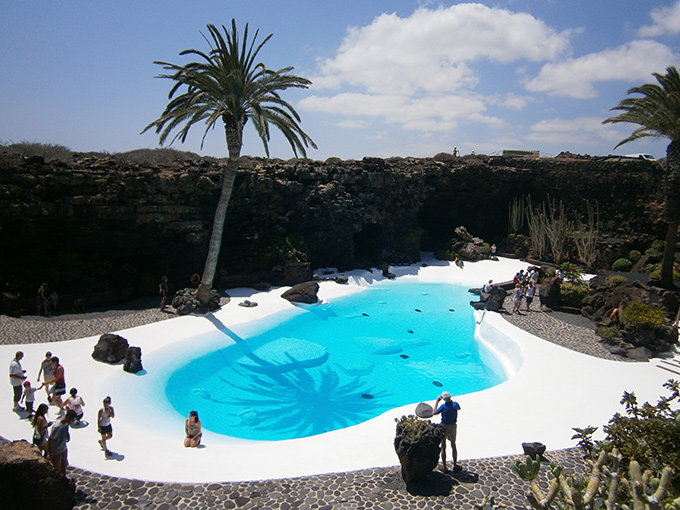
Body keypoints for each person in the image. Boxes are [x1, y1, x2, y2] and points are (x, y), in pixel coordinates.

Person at [433, 391, 461, 473]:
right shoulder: (455, 404)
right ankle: (455, 465)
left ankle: (445, 467)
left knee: (443, 446)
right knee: (453, 445)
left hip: (444, 426)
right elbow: (459, 408)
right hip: (452, 426)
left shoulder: (443, 406)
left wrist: (437, 401)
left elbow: (435, 412)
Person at [48, 409, 77, 476]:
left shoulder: (66, 423)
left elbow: (66, 431)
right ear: (67, 417)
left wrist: (67, 435)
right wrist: (50, 453)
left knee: (64, 465)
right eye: (72, 420)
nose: (72, 422)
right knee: (57, 468)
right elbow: (50, 439)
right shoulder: (57, 427)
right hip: (56, 450)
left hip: (63, 447)